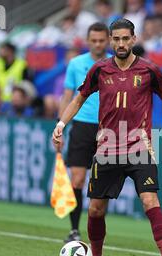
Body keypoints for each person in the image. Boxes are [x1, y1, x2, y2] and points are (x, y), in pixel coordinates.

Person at [52, 19, 162, 256]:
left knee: (149, 201)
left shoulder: (149, 70)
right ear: (111, 40)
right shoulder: (99, 70)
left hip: (139, 147)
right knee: (95, 209)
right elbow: (79, 98)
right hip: (107, 149)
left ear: (134, 39)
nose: (121, 44)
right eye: (117, 39)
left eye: (126, 38)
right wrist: (61, 124)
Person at [58, 23, 111, 243]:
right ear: (88, 41)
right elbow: (68, 95)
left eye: (101, 40)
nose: (98, 44)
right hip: (80, 125)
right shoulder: (76, 64)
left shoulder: (114, 64)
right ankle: (74, 229)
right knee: (77, 179)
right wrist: (61, 125)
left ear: (107, 40)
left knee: (102, 184)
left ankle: (97, 232)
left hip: (107, 127)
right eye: (94, 40)